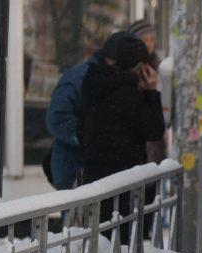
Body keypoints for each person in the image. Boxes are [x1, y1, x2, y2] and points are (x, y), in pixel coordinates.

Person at [48, 21, 156, 190]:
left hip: (98, 173)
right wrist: (90, 137)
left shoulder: (121, 79)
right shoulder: (82, 78)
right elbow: (57, 118)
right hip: (77, 169)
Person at [78, 31, 166, 228]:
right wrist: (152, 93)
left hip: (95, 181)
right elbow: (154, 129)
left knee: (98, 245)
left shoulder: (92, 82)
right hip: (125, 184)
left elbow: (81, 131)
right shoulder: (129, 94)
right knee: (122, 248)